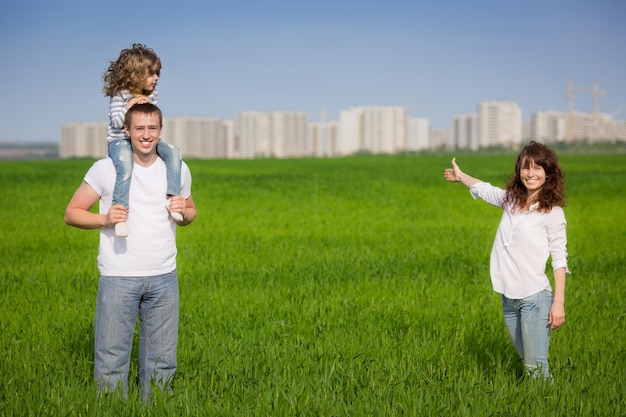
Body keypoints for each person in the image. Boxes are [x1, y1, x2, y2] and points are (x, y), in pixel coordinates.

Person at [64, 103, 196, 400]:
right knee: (111, 361)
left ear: (161, 131)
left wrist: (183, 212)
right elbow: (72, 213)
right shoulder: (106, 168)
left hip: (164, 277)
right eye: (139, 128)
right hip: (118, 277)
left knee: (162, 363)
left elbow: (190, 211)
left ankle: (158, 407)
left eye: (152, 128)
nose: (146, 135)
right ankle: (113, 408)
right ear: (127, 131)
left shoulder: (178, 169)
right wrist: (105, 219)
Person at [443, 141, 568, 380]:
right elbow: (485, 189)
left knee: (536, 368)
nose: (530, 173)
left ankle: (551, 405)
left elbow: (559, 258)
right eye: (525, 167)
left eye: (537, 168)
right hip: (508, 298)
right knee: (528, 362)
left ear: (548, 173)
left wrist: (558, 303)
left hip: (534, 298)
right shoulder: (511, 201)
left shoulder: (552, 212)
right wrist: (462, 176)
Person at [103, 43, 183, 237]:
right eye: (151, 74)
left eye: (157, 74)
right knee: (126, 166)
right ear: (136, 74)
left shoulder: (151, 95)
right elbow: (116, 122)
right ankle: (121, 214)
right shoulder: (120, 95)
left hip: (144, 140)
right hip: (120, 141)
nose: (156, 78)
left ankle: (172, 199)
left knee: (173, 152)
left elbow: (151, 118)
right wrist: (130, 105)